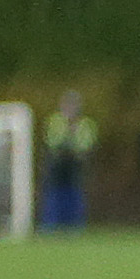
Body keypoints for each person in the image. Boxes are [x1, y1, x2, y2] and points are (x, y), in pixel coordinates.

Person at [41, 89, 97, 232]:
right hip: (57, 164)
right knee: (54, 194)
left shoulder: (85, 124)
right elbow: (52, 141)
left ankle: (75, 227)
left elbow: (86, 145)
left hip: (75, 165)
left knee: (75, 194)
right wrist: (68, 132)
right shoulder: (55, 121)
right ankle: (50, 226)